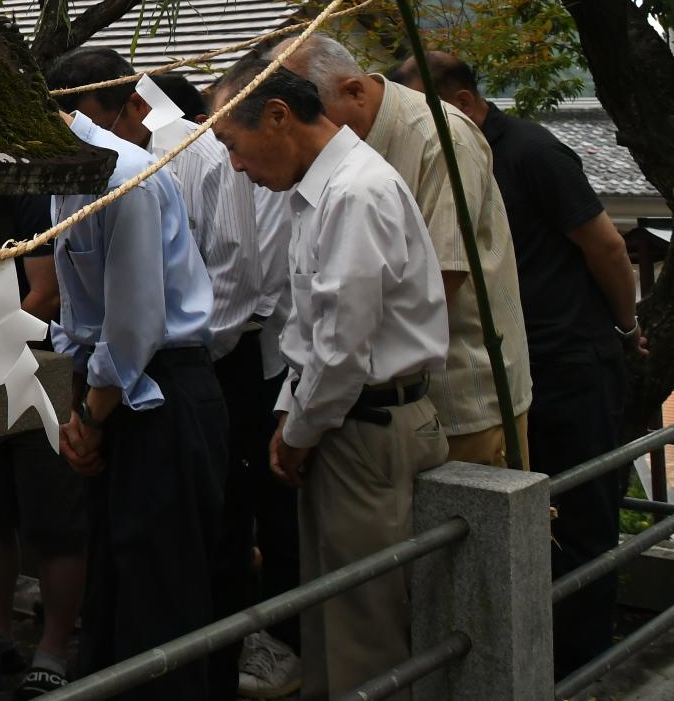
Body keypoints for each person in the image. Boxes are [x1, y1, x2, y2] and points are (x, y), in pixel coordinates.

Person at [391, 51, 642, 676]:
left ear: (465, 102)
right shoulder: (435, 160)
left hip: (569, 356)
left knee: (584, 516)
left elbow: (608, 245)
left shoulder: (530, 151)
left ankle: (584, 665)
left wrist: (626, 325)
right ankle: (533, 658)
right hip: (506, 365)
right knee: (527, 518)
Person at [210, 62, 449, 701]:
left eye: (233, 143)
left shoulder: (354, 192)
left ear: (279, 117)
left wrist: (299, 428)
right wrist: (294, 413)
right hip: (341, 419)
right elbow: (314, 330)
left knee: (361, 629)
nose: (234, 166)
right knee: (331, 614)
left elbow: (344, 346)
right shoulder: (323, 190)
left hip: (365, 424)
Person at [44, 53, 227, 700]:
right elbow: (81, 313)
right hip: (114, 395)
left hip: (163, 392)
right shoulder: (64, 177)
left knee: (162, 590)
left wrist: (90, 415)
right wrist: (84, 413)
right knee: (116, 584)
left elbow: (135, 322)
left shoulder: (126, 177)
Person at [273, 35, 531, 470]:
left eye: (310, 113)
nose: (301, 129)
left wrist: (317, 403)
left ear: (354, 90)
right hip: (359, 404)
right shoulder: (323, 161)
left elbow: (442, 280)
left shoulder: (441, 136)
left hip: (458, 393)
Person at [0, 197, 89, 700]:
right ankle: (0, 635)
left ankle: (53, 648)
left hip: (39, 366)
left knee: (53, 520)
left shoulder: (25, 196)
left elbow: (46, 293)